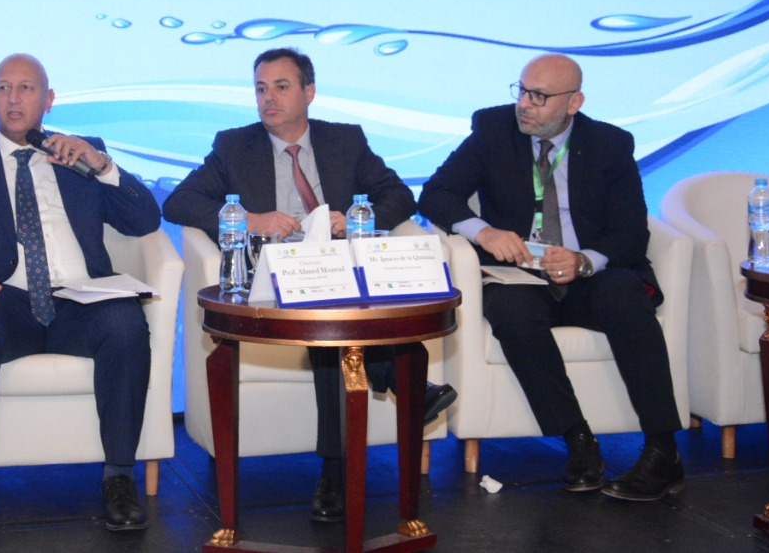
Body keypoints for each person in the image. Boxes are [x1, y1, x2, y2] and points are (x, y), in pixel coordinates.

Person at [162, 47, 456, 523]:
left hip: (339, 270)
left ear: (309, 92)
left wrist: (355, 219)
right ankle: (395, 399)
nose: (268, 98)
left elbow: (399, 195)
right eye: (261, 89)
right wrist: (252, 219)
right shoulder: (235, 146)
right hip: (275, 277)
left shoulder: (345, 141)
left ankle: (339, 466)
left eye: (281, 87)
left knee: (333, 317)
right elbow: (178, 203)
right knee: (329, 324)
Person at [0, 54, 161, 548]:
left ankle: (120, 479)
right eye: (3, 88)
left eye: (26, 88)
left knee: (126, 323)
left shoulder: (81, 154)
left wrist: (102, 166)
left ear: (49, 99)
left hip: (81, 299)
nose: (13, 99)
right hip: (3, 301)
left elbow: (145, 220)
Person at [418, 52, 684, 500]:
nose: (524, 104)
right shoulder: (493, 129)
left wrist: (584, 261)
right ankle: (578, 441)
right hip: (520, 276)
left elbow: (630, 233)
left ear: (574, 102)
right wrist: (484, 232)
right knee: (512, 312)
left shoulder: (610, 144)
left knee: (625, 294)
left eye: (539, 97)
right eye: (522, 91)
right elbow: (435, 194)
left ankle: (663, 451)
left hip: (588, 277)